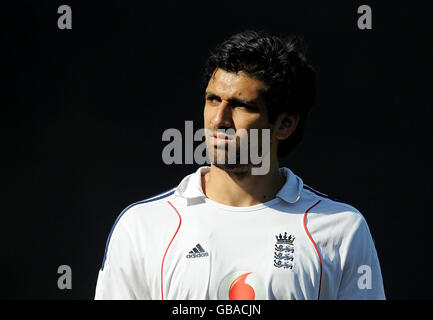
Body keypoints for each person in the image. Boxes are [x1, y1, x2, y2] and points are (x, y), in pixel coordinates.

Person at [94, 30, 385, 300]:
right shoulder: (143, 227)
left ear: (285, 123)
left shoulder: (342, 229)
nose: (219, 119)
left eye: (241, 105)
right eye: (212, 99)